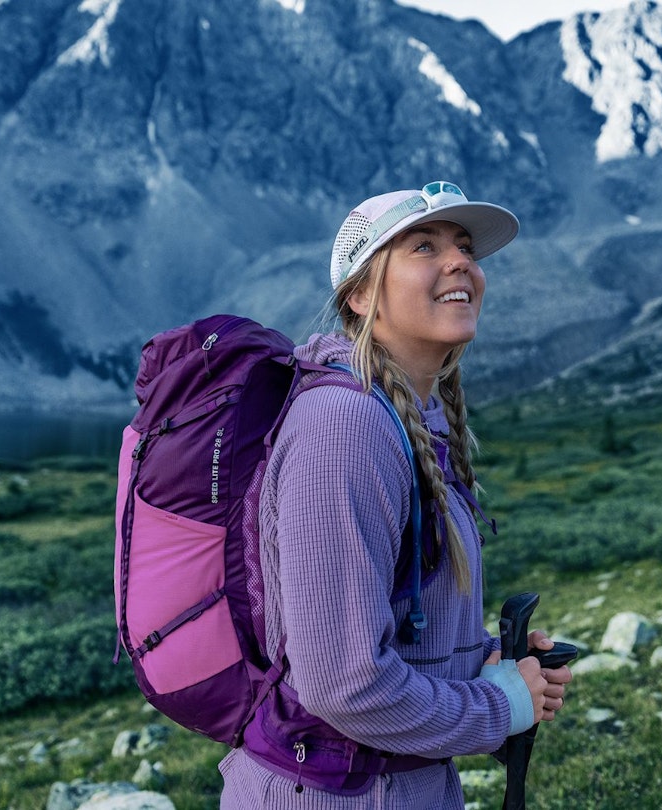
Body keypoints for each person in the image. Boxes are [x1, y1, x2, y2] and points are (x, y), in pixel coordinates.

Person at [219, 181, 572, 807]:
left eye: (464, 246)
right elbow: (344, 683)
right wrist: (500, 705)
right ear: (359, 294)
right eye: (423, 246)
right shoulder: (344, 430)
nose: (460, 260)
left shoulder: (408, 418)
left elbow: (393, 633)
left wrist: (489, 662)